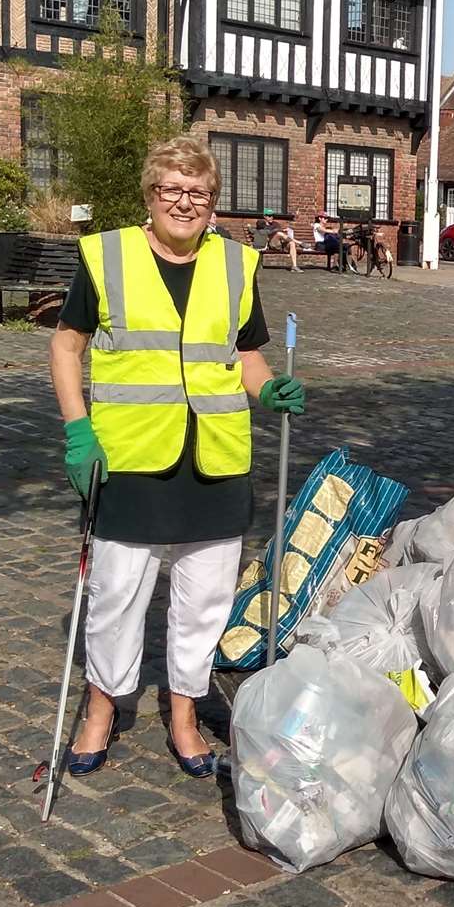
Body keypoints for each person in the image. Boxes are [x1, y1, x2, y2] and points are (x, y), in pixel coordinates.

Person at [48, 135, 306, 780]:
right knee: (116, 599)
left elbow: (244, 351)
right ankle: (102, 709)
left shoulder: (236, 263)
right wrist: (78, 431)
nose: (184, 203)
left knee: (204, 604)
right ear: (150, 196)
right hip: (130, 460)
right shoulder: (107, 256)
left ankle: (184, 713)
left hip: (215, 462)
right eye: (171, 190)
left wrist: (267, 387)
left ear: (213, 202)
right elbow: (66, 346)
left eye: (198, 192)